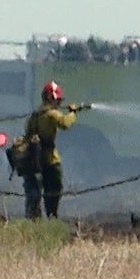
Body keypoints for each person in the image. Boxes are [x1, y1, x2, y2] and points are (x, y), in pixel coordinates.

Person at [23, 81, 85, 219]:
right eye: (57, 100)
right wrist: (73, 112)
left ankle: (33, 218)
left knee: (35, 193)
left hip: (34, 161)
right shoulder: (52, 114)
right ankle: (52, 217)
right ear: (51, 98)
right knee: (54, 189)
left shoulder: (35, 115)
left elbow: (27, 134)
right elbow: (65, 123)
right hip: (50, 160)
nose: (58, 103)